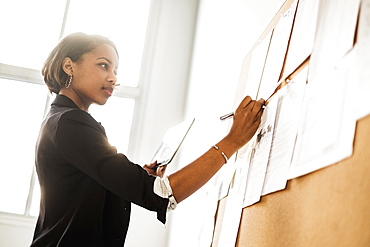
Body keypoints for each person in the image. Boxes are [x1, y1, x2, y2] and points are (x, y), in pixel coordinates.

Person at [30, 32, 265, 246]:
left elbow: (82, 193)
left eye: (116, 71)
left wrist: (139, 177)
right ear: (69, 66)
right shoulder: (71, 123)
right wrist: (232, 141)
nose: (113, 78)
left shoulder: (61, 121)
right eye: (104, 65)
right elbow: (161, 195)